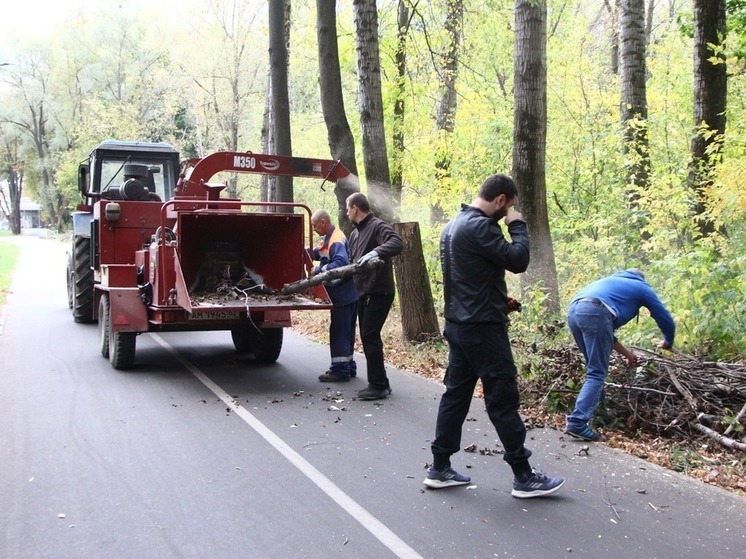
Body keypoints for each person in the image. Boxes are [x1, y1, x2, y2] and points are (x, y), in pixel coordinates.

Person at [425, 173, 564, 499]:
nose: (509, 211)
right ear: (500, 200)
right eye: (509, 206)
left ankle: (440, 467)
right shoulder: (481, 226)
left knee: (456, 396)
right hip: (483, 330)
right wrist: (518, 225)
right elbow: (518, 260)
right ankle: (524, 476)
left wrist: (500, 300)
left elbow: (468, 277)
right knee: (502, 399)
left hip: (460, 325)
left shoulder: (453, 225)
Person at [565, 268, 675, 441]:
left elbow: (606, 333)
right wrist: (668, 341)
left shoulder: (610, 282)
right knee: (597, 372)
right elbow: (664, 317)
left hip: (574, 311)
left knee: (593, 368)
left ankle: (597, 415)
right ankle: (577, 422)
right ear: (642, 278)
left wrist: (628, 354)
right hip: (595, 312)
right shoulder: (641, 287)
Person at [345, 193, 403, 401]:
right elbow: (353, 263)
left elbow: (397, 242)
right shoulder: (354, 234)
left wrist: (376, 252)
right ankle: (381, 383)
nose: (346, 212)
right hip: (363, 292)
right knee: (368, 335)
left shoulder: (377, 226)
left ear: (355, 208)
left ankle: (377, 385)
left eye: (347, 208)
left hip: (379, 291)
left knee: (370, 335)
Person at [309, 209, 359, 382]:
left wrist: (318, 270)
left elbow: (339, 263)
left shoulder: (336, 239)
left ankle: (340, 370)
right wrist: (306, 252)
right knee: (347, 332)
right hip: (349, 294)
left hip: (342, 295)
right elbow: (321, 252)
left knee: (339, 331)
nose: (313, 228)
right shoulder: (331, 238)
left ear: (323, 222)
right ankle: (349, 366)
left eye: (314, 225)